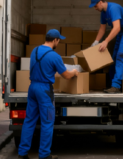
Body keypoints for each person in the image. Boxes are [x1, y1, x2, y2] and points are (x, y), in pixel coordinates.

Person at [18, 29, 79, 159]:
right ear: (55, 40)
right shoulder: (54, 56)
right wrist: (74, 72)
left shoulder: (34, 51)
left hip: (32, 87)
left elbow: (42, 68)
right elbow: (66, 76)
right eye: (59, 40)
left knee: (29, 120)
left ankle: (22, 153)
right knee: (47, 122)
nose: (58, 42)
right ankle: (44, 155)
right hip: (44, 90)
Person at [89, 0, 123, 94]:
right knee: (113, 58)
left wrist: (106, 41)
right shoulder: (103, 13)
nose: (95, 8)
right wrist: (96, 42)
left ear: (100, 2)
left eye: (95, 6)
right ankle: (113, 84)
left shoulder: (113, 8)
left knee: (121, 56)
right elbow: (102, 28)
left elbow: (117, 27)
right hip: (120, 32)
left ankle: (116, 86)